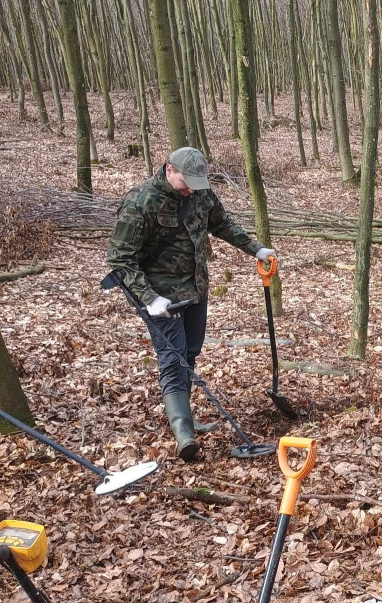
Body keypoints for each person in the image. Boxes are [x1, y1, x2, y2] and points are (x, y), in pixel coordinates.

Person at [106, 147, 276, 462]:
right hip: (160, 297)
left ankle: (185, 415)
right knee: (173, 360)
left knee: (189, 354)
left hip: (196, 289)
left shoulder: (200, 192)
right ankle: (183, 432)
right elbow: (119, 259)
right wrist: (149, 298)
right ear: (169, 170)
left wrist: (255, 249)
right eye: (185, 182)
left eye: (196, 183)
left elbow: (222, 224)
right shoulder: (140, 202)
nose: (190, 189)